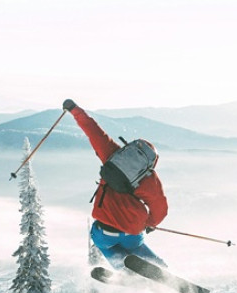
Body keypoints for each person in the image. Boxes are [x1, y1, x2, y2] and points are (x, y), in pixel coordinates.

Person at [63, 98, 168, 269]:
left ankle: (123, 271)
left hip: (106, 232)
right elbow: (160, 208)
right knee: (136, 246)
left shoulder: (112, 155)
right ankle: (160, 268)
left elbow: (93, 131)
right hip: (133, 231)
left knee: (103, 243)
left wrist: (74, 109)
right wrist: (151, 223)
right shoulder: (150, 179)